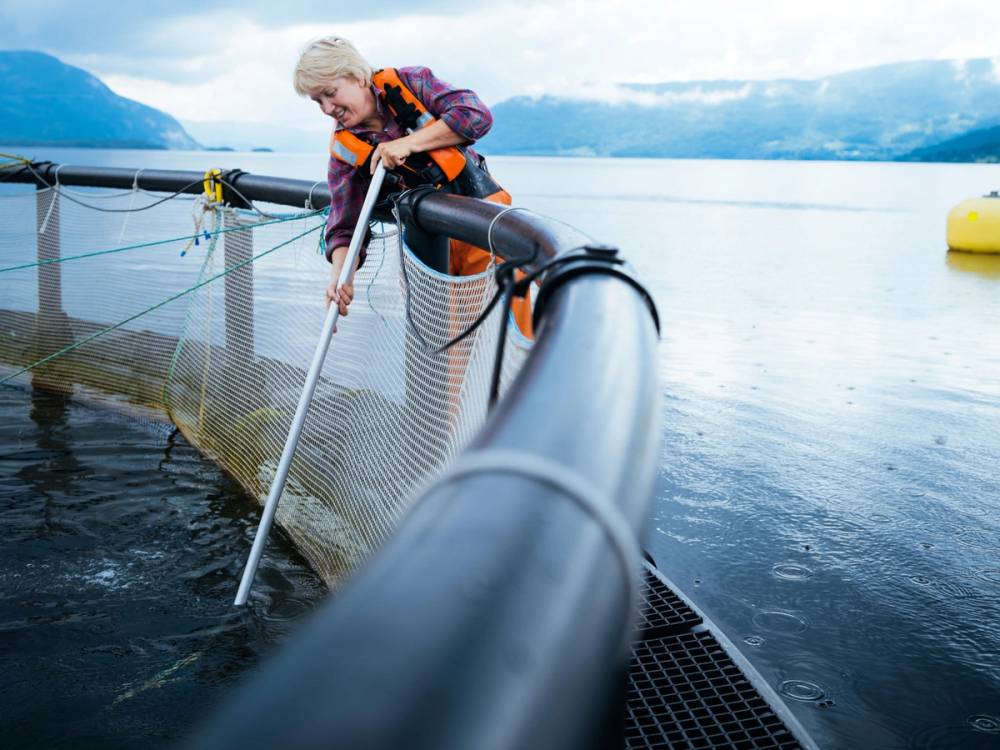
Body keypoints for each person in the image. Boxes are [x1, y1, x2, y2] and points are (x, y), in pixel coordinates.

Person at [291, 36, 532, 337]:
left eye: (330, 93)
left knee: (507, 331)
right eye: (318, 101)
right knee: (442, 339)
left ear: (356, 76)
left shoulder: (413, 82)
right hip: (426, 247)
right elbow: (344, 224)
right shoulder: (344, 149)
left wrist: (408, 144)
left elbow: (476, 115)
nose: (327, 108)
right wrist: (341, 279)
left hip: (481, 221)